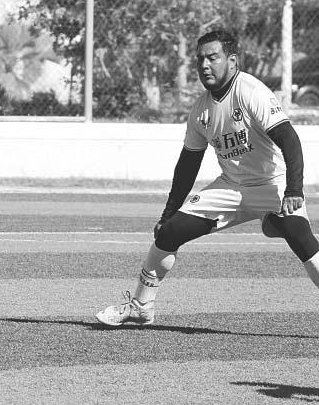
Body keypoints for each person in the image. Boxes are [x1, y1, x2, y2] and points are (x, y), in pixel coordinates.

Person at [95, 30, 319, 327]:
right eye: (200, 59)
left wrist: (294, 190)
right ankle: (140, 307)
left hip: (271, 184)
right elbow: (188, 164)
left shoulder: (251, 92)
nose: (204, 65)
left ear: (232, 61)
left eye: (213, 58)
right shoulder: (201, 109)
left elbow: (290, 140)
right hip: (230, 186)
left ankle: (276, 221)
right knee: (169, 232)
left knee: (299, 235)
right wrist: (167, 213)